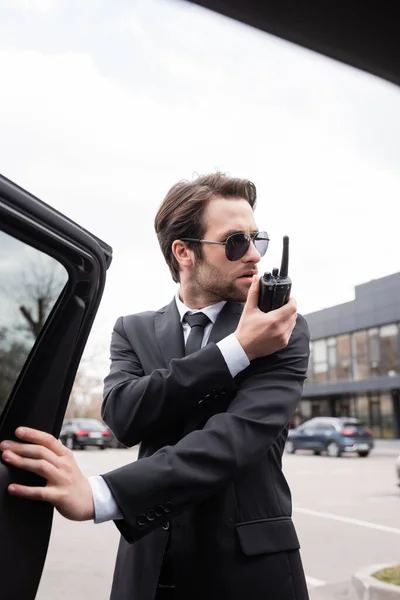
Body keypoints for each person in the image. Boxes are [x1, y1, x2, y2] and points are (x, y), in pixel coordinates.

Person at [0, 172, 310, 600]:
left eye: (259, 240)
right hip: (145, 573)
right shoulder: (133, 330)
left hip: (248, 575)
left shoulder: (281, 329)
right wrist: (234, 351)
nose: (254, 256)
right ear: (184, 251)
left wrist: (101, 493)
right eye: (236, 241)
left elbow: (234, 440)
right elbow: (124, 417)